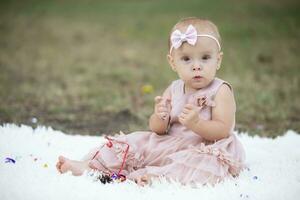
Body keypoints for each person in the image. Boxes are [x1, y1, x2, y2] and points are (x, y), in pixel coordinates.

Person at [56, 17, 246, 187]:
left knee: (205, 166)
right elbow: (158, 130)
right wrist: (160, 116)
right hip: (171, 143)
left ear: (218, 60)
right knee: (132, 143)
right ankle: (89, 166)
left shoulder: (221, 90)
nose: (197, 65)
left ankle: (156, 176)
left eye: (205, 58)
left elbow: (223, 130)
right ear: (173, 63)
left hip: (205, 147)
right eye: (186, 59)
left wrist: (197, 124)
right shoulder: (174, 89)